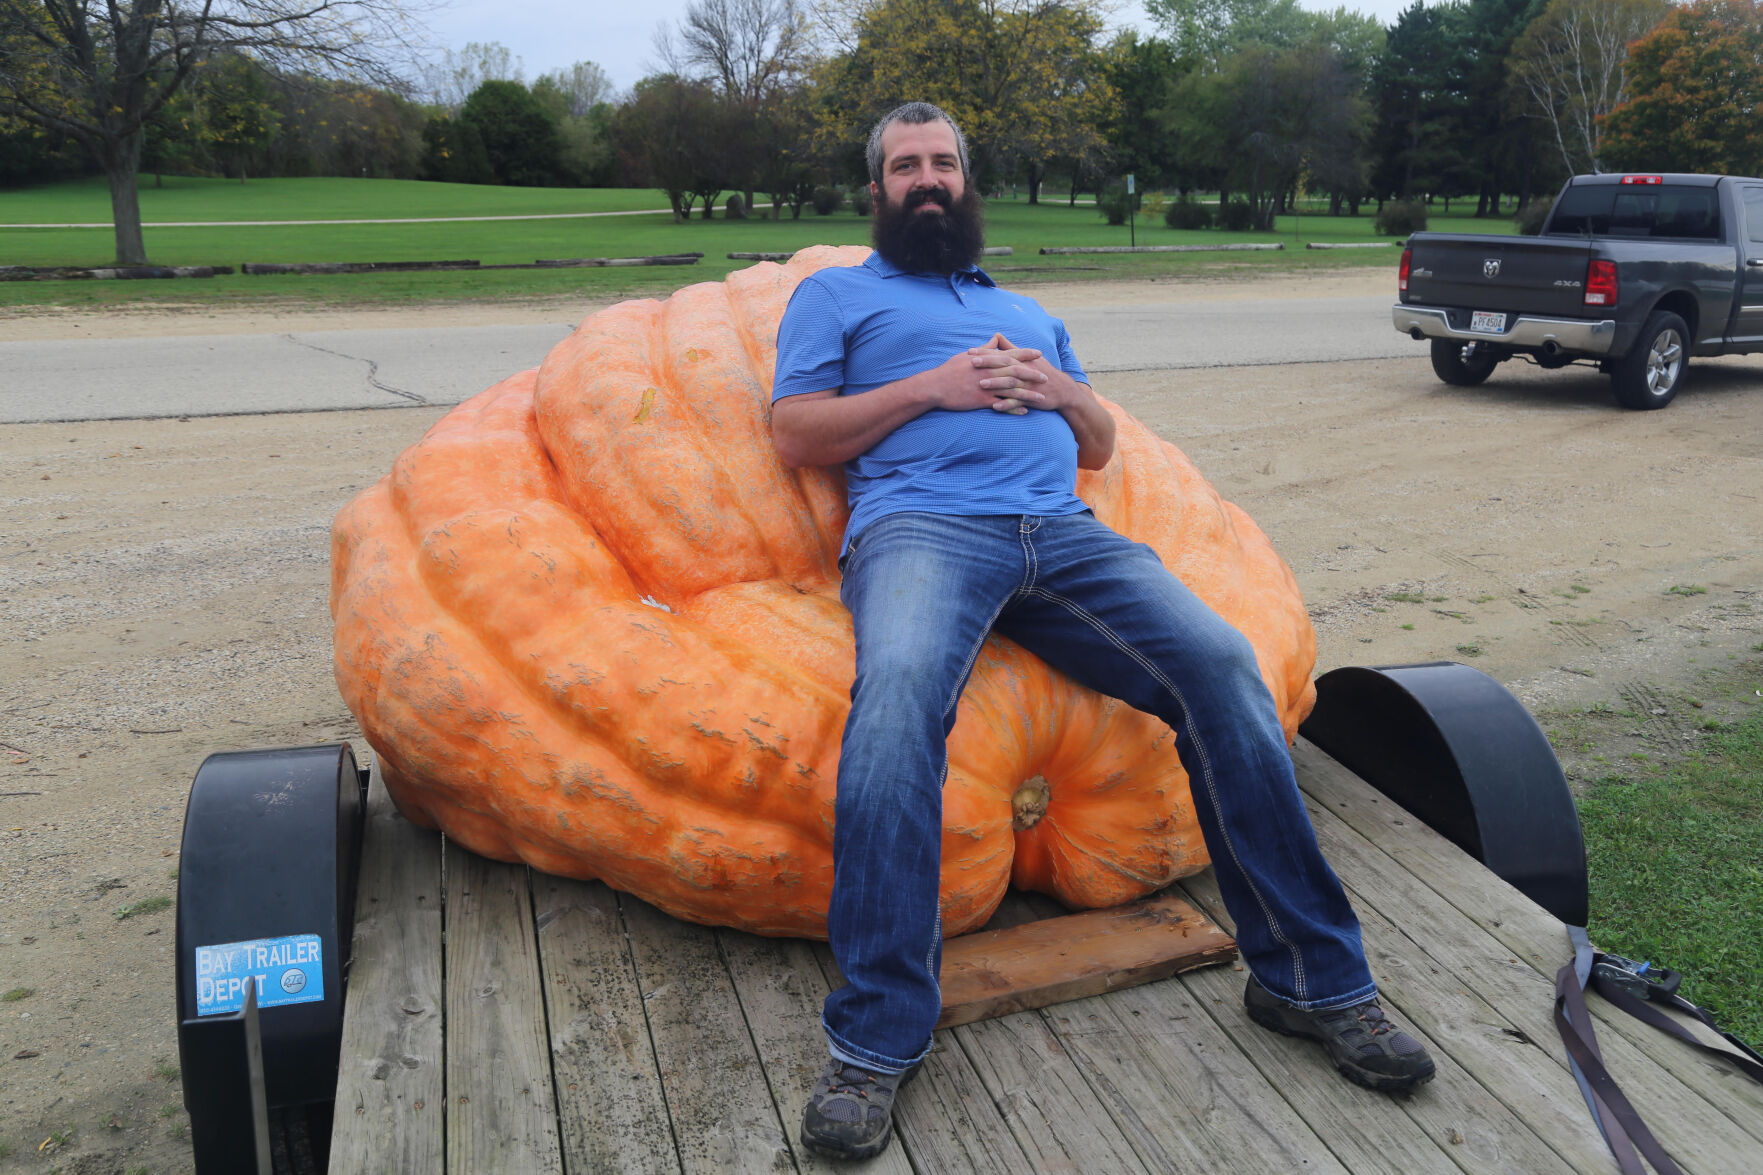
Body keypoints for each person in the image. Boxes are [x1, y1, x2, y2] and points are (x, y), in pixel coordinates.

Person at [770, 102, 1435, 1164]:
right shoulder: (836, 292)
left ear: (966, 179)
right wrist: (928, 388)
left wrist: (1058, 389)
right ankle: (875, 1034)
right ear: (877, 189)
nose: (927, 178)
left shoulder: (1028, 310)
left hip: (1065, 536)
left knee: (1222, 666)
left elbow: (1095, 445)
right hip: (923, 530)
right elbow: (793, 429)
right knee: (895, 703)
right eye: (906, 166)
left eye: (942, 161)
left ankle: (1312, 983)